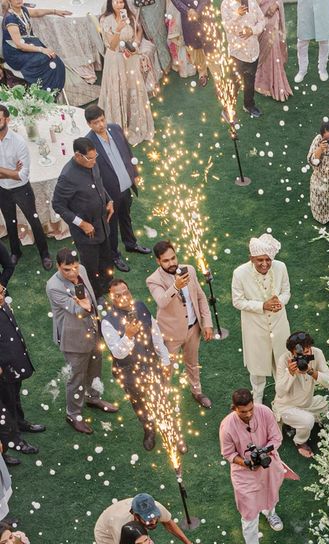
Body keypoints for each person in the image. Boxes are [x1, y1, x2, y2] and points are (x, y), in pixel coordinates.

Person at [219, 388, 292, 544]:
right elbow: (229, 454)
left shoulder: (265, 412)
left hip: (268, 467)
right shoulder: (227, 426)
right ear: (234, 408)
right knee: (249, 514)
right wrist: (247, 463)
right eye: (243, 412)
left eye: (251, 409)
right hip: (244, 474)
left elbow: (277, 438)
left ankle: (270, 513)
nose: (249, 414)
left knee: (271, 494)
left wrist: (264, 452)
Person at [45, 248, 115, 437]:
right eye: (67, 269)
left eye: (75, 267)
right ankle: (73, 414)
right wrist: (84, 307)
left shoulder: (82, 269)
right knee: (76, 377)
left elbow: (90, 298)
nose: (73, 272)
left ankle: (93, 398)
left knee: (95, 368)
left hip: (93, 331)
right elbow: (77, 311)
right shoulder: (53, 286)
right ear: (59, 266)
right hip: (73, 339)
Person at [101, 277, 173, 451]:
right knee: (139, 403)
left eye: (126, 292)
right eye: (118, 295)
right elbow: (118, 353)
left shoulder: (141, 307)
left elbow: (156, 335)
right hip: (128, 372)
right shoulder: (107, 322)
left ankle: (170, 432)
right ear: (112, 298)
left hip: (152, 365)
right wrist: (129, 336)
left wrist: (165, 360)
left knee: (161, 399)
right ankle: (149, 429)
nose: (124, 297)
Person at [146, 239, 214, 408]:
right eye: (166, 260)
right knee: (167, 368)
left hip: (193, 329)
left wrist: (207, 323)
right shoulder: (153, 280)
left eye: (173, 258)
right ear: (158, 261)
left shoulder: (188, 269)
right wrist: (175, 286)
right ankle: (162, 399)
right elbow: (162, 301)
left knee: (192, 362)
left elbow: (200, 297)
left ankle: (197, 392)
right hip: (170, 333)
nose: (171, 263)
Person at [85, 105, 150, 272]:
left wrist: (134, 172)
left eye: (102, 120)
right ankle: (114, 254)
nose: (100, 124)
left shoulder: (115, 128)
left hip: (125, 186)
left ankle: (131, 243)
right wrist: (105, 199)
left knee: (126, 217)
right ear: (89, 124)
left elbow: (127, 151)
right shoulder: (88, 143)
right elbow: (93, 174)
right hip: (109, 194)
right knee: (111, 226)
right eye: (95, 122)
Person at [51, 139, 115, 301]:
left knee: (107, 259)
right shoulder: (67, 177)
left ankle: (108, 284)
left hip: (103, 224)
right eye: (90, 159)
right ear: (78, 156)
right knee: (91, 267)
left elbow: (99, 184)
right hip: (87, 233)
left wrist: (109, 200)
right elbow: (57, 205)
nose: (94, 162)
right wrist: (82, 223)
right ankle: (97, 295)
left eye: (95, 157)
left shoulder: (92, 163)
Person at [231, 234, 290, 404]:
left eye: (268, 260)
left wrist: (280, 302)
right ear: (251, 258)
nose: (265, 264)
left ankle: (283, 397)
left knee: (282, 361)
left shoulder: (281, 267)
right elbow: (238, 301)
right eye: (260, 260)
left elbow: (286, 292)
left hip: (279, 325)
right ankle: (257, 397)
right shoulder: (240, 273)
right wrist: (262, 306)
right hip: (255, 327)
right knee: (257, 366)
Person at [94, 491, 206, 544]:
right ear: (135, 516)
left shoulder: (156, 507)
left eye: (155, 517)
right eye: (147, 519)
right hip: (109, 542)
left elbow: (168, 523)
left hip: (126, 525)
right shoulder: (121, 525)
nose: (153, 521)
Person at [98, 0, 156, 146]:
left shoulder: (131, 16)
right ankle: (119, 124)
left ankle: (135, 122)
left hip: (130, 58)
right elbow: (111, 46)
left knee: (132, 88)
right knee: (118, 88)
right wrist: (118, 29)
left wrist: (134, 46)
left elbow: (138, 32)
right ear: (111, 3)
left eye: (122, 2)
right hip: (115, 59)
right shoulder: (105, 20)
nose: (120, 5)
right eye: (117, 2)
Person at [0, 104, 49, 272]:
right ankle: (15, 252)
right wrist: (11, 171)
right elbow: (15, 173)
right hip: (2, 189)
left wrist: (12, 173)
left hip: (21, 189)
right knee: (10, 221)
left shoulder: (18, 142)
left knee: (33, 220)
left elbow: (23, 175)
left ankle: (45, 253)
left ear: (7, 119)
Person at [272, 330, 329, 457]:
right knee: (308, 420)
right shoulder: (284, 360)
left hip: (307, 402)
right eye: (300, 354)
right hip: (286, 406)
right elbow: (280, 392)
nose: (304, 356)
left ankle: (298, 421)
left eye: (307, 352)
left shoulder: (317, 353)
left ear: (310, 347)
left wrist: (311, 371)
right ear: (291, 353)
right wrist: (290, 373)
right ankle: (300, 441)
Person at [0, 287, 41, 461]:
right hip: (3, 368)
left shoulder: (4, 305)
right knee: (6, 406)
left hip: (14, 363)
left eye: (2, 293)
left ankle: (20, 423)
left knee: (15, 396)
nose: (2, 297)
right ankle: (14, 440)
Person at [1, 0, 69, 91]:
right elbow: (19, 45)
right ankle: (44, 91)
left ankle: (50, 91)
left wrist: (55, 11)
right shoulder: (10, 18)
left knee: (53, 57)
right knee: (46, 59)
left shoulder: (22, 10)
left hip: (26, 45)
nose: (19, 0)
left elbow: (37, 12)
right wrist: (41, 49)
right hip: (15, 53)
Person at [221, 0, 265, 118]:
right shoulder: (226, 4)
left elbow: (262, 20)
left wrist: (252, 30)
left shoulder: (251, 2)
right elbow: (226, 27)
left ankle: (249, 105)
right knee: (234, 83)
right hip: (237, 54)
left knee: (250, 82)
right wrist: (237, 14)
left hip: (253, 52)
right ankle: (227, 109)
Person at [294, 0, 329, 82]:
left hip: (323, 3)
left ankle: (322, 68)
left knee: (324, 37)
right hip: (305, 4)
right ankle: (302, 70)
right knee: (303, 39)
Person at [255, 0, 290, 101]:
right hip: (257, 14)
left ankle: (273, 81)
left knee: (272, 47)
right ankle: (260, 80)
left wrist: (276, 4)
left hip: (272, 14)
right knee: (260, 48)